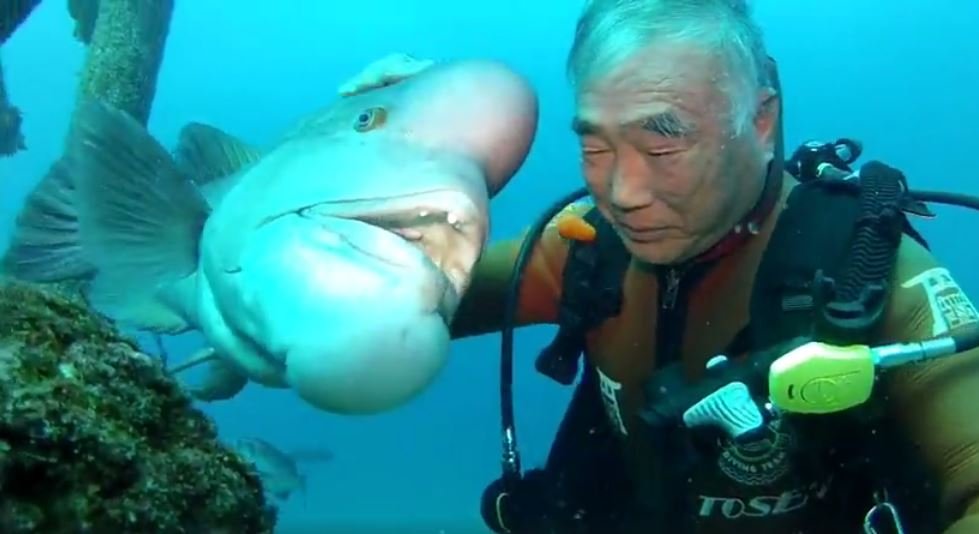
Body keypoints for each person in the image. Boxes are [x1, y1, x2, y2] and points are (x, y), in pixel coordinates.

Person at [339, 1, 979, 532]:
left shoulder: (869, 276)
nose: (622, 192)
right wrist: (387, 153)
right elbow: (375, 308)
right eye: (594, 144)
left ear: (761, 120)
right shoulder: (585, 249)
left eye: (663, 141)